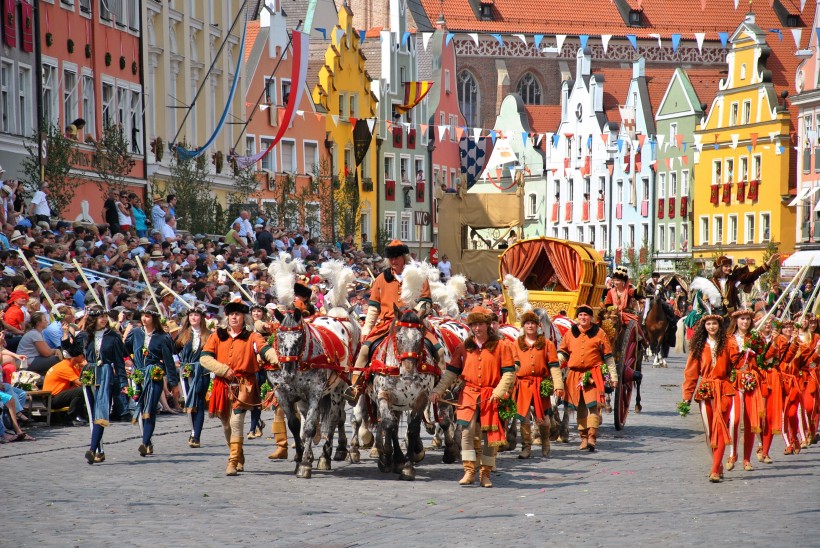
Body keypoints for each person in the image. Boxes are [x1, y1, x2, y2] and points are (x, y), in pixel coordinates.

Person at [429, 306, 516, 487]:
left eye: (481, 324)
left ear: (487, 326)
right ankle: (469, 471)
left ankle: (485, 473)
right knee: (466, 432)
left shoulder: (502, 346)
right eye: (474, 325)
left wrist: (499, 391)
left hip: (491, 394)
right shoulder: (463, 347)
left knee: (490, 436)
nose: (477, 328)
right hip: (468, 393)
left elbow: (509, 373)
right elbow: (451, 372)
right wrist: (438, 390)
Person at [346, 240, 439, 403]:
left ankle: (441, 389)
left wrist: (415, 314)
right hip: (387, 324)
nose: (394, 261)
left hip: (415, 324)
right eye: (391, 258)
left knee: (440, 351)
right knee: (364, 350)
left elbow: (426, 302)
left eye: (397, 257)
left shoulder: (418, 277)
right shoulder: (381, 279)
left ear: (404, 257)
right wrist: (367, 329)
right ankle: (356, 387)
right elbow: (374, 307)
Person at [199, 301, 277, 476]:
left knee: (236, 422)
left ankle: (232, 461)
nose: (234, 317)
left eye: (238, 314)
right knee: (226, 424)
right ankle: (238, 454)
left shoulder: (252, 336)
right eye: (231, 314)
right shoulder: (217, 335)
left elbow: (265, 349)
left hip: (244, 384)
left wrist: (276, 359)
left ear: (244, 318)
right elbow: (204, 358)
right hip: (222, 383)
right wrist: (223, 369)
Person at [682, 314, 736, 482]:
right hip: (706, 391)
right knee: (709, 431)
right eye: (709, 324)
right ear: (704, 326)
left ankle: (714, 470)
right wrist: (687, 397)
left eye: (714, 324)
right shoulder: (698, 347)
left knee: (720, 429)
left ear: (720, 326)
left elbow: (737, 362)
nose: (712, 327)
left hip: (724, 390)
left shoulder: (728, 343)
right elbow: (691, 373)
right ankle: (717, 463)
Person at [557, 305, 618, 451]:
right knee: (580, 409)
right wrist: (553, 365)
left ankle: (592, 437)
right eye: (580, 315)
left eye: (586, 315)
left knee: (593, 406)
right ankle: (583, 438)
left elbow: (608, 357)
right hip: (575, 375)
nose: (583, 318)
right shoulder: (570, 333)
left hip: (593, 374)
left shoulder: (600, 333)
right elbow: (563, 353)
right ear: (577, 317)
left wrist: (613, 376)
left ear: (591, 317)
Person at [125, 304, 178, 457]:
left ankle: (144, 442)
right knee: (142, 408)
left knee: (150, 408)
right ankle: (147, 442)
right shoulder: (136, 333)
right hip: (139, 374)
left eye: (147, 316)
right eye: (142, 315)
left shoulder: (163, 337)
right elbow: (124, 350)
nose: (144, 318)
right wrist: (129, 362)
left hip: (154, 375)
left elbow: (168, 361)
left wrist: (174, 383)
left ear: (154, 318)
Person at [511, 310, 564, 459]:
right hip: (523, 384)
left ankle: (545, 441)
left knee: (544, 418)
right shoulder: (516, 344)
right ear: (523, 326)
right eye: (527, 323)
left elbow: (554, 365)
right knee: (524, 417)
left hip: (540, 384)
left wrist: (558, 385)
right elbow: (512, 366)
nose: (530, 326)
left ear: (538, 326)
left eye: (532, 323)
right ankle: (526, 447)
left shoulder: (547, 344)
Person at [82, 304, 129, 463]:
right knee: (92, 414)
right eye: (99, 317)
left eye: (104, 317)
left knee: (101, 411)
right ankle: (99, 450)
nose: (103, 320)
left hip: (106, 375)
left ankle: (92, 449)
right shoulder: (86, 336)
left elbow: (119, 362)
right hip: (90, 374)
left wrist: (123, 381)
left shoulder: (113, 336)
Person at [725, 308, 761, 472]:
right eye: (742, 319)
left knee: (750, 421)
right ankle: (733, 454)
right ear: (736, 321)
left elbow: (765, 357)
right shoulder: (728, 339)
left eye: (747, 319)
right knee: (735, 419)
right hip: (734, 381)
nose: (745, 322)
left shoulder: (755, 337)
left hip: (750, 380)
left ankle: (747, 459)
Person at [176, 305, 211, 448]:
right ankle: (192, 430)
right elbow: (174, 349)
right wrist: (178, 362)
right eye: (191, 316)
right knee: (189, 403)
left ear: (201, 318)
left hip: (202, 371)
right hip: (187, 372)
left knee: (200, 403)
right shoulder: (183, 334)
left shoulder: (209, 335)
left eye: (196, 315)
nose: (193, 318)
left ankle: (196, 435)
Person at [708, 255, 779, 321]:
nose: (729, 268)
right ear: (720, 267)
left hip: (731, 315)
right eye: (726, 266)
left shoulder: (733, 279)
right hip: (716, 314)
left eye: (729, 266)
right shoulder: (711, 282)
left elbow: (753, 274)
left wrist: (769, 262)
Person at [759, 316, 789, 464]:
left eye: (770, 323)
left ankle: (765, 451)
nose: (768, 325)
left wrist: (792, 343)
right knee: (759, 417)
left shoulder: (780, 339)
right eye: (765, 322)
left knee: (770, 416)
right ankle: (759, 445)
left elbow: (785, 358)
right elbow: (762, 357)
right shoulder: (754, 338)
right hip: (759, 378)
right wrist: (773, 344)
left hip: (774, 378)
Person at [42, 337, 87, 426]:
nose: (83, 357)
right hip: (51, 399)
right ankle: (69, 417)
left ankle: (77, 415)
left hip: (58, 396)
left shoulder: (72, 366)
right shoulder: (65, 367)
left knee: (80, 392)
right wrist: (86, 368)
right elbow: (83, 383)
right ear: (74, 357)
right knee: (82, 390)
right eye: (82, 355)